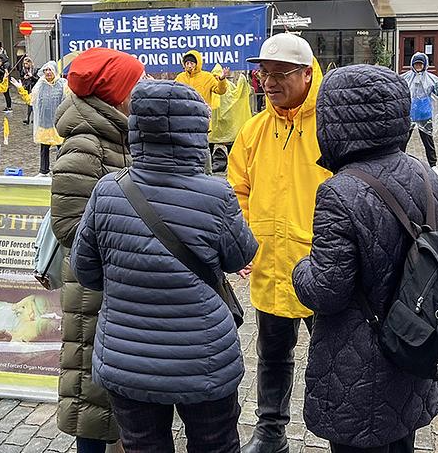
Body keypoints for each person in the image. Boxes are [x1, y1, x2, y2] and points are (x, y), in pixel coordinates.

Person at [73, 79, 258, 453]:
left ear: (136, 128)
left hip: (127, 357)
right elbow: (240, 256)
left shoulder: (109, 190)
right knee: (215, 444)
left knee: (143, 446)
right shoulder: (216, 195)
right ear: (195, 132)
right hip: (204, 358)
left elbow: (86, 271)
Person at [292, 64, 438, 453]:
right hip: (414, 342)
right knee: (401, 439)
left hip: (358, 361)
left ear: (335, 121)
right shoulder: (426, 176)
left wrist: (299, 269)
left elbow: (327, 292)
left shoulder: (338, 192)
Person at [228, 33, 331, 453]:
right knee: (272, 356)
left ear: (307, 74)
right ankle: (270, 432)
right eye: (263, 73)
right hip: (271, 266)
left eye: (280, 73)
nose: (268, 82)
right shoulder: (254, 129)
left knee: (335, 360)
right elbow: (238, 190)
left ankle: (340, 431)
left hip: (325, 268)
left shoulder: (331, 124)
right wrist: (245, 241)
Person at [50, 48, 145, 453]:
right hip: (94, 290)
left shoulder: (119, 132)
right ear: (115, 92)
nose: (141, 88)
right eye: (135, 82)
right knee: (93, 393)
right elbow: (68, 226)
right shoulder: (85, 145)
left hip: (118, 285)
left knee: (115, 395)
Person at [10, 61, 71, 176]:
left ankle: (62, 170)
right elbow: (30, 100)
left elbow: (69, 101)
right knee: (44, 148)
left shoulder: (63, 85)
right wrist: (20, 89)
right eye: (45, 70)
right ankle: (44, 170)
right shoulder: (40, 85)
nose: (48, 72)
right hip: (44, 123)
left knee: (61, 148)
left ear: (54, 71)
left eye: (50, 70)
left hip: (58, 123)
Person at [402, 52, 438, 177]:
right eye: (416, 64)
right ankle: (399, 162)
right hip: (410, 114)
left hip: (425, 114)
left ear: (425, 65)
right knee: (403, 140)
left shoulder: (430, 78)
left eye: (420, 64)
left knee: (428, 140)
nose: (418, 66)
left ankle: (433, 164)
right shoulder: (406, 77)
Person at [15, 56, 38, 124]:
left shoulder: (35, 70)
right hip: (27, 88)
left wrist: (32, 76)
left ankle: (32, 118)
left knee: (33, 103)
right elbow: (21, 79)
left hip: (34, 87)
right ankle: (28, 118)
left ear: (30, 63)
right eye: (24, 64)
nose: (25, 65)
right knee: (29, 103)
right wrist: (24, 78)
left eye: (27, 63)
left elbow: (37, 80)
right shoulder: (23, 70)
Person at [0, 42, 12, 114]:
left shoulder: (6, 64)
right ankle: (8, 106)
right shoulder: (4, 63)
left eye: (0, 59)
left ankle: (9, 107)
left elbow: (5, 73)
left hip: (5, 81)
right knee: (6, 94)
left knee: (7, 94)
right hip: (3, 80)